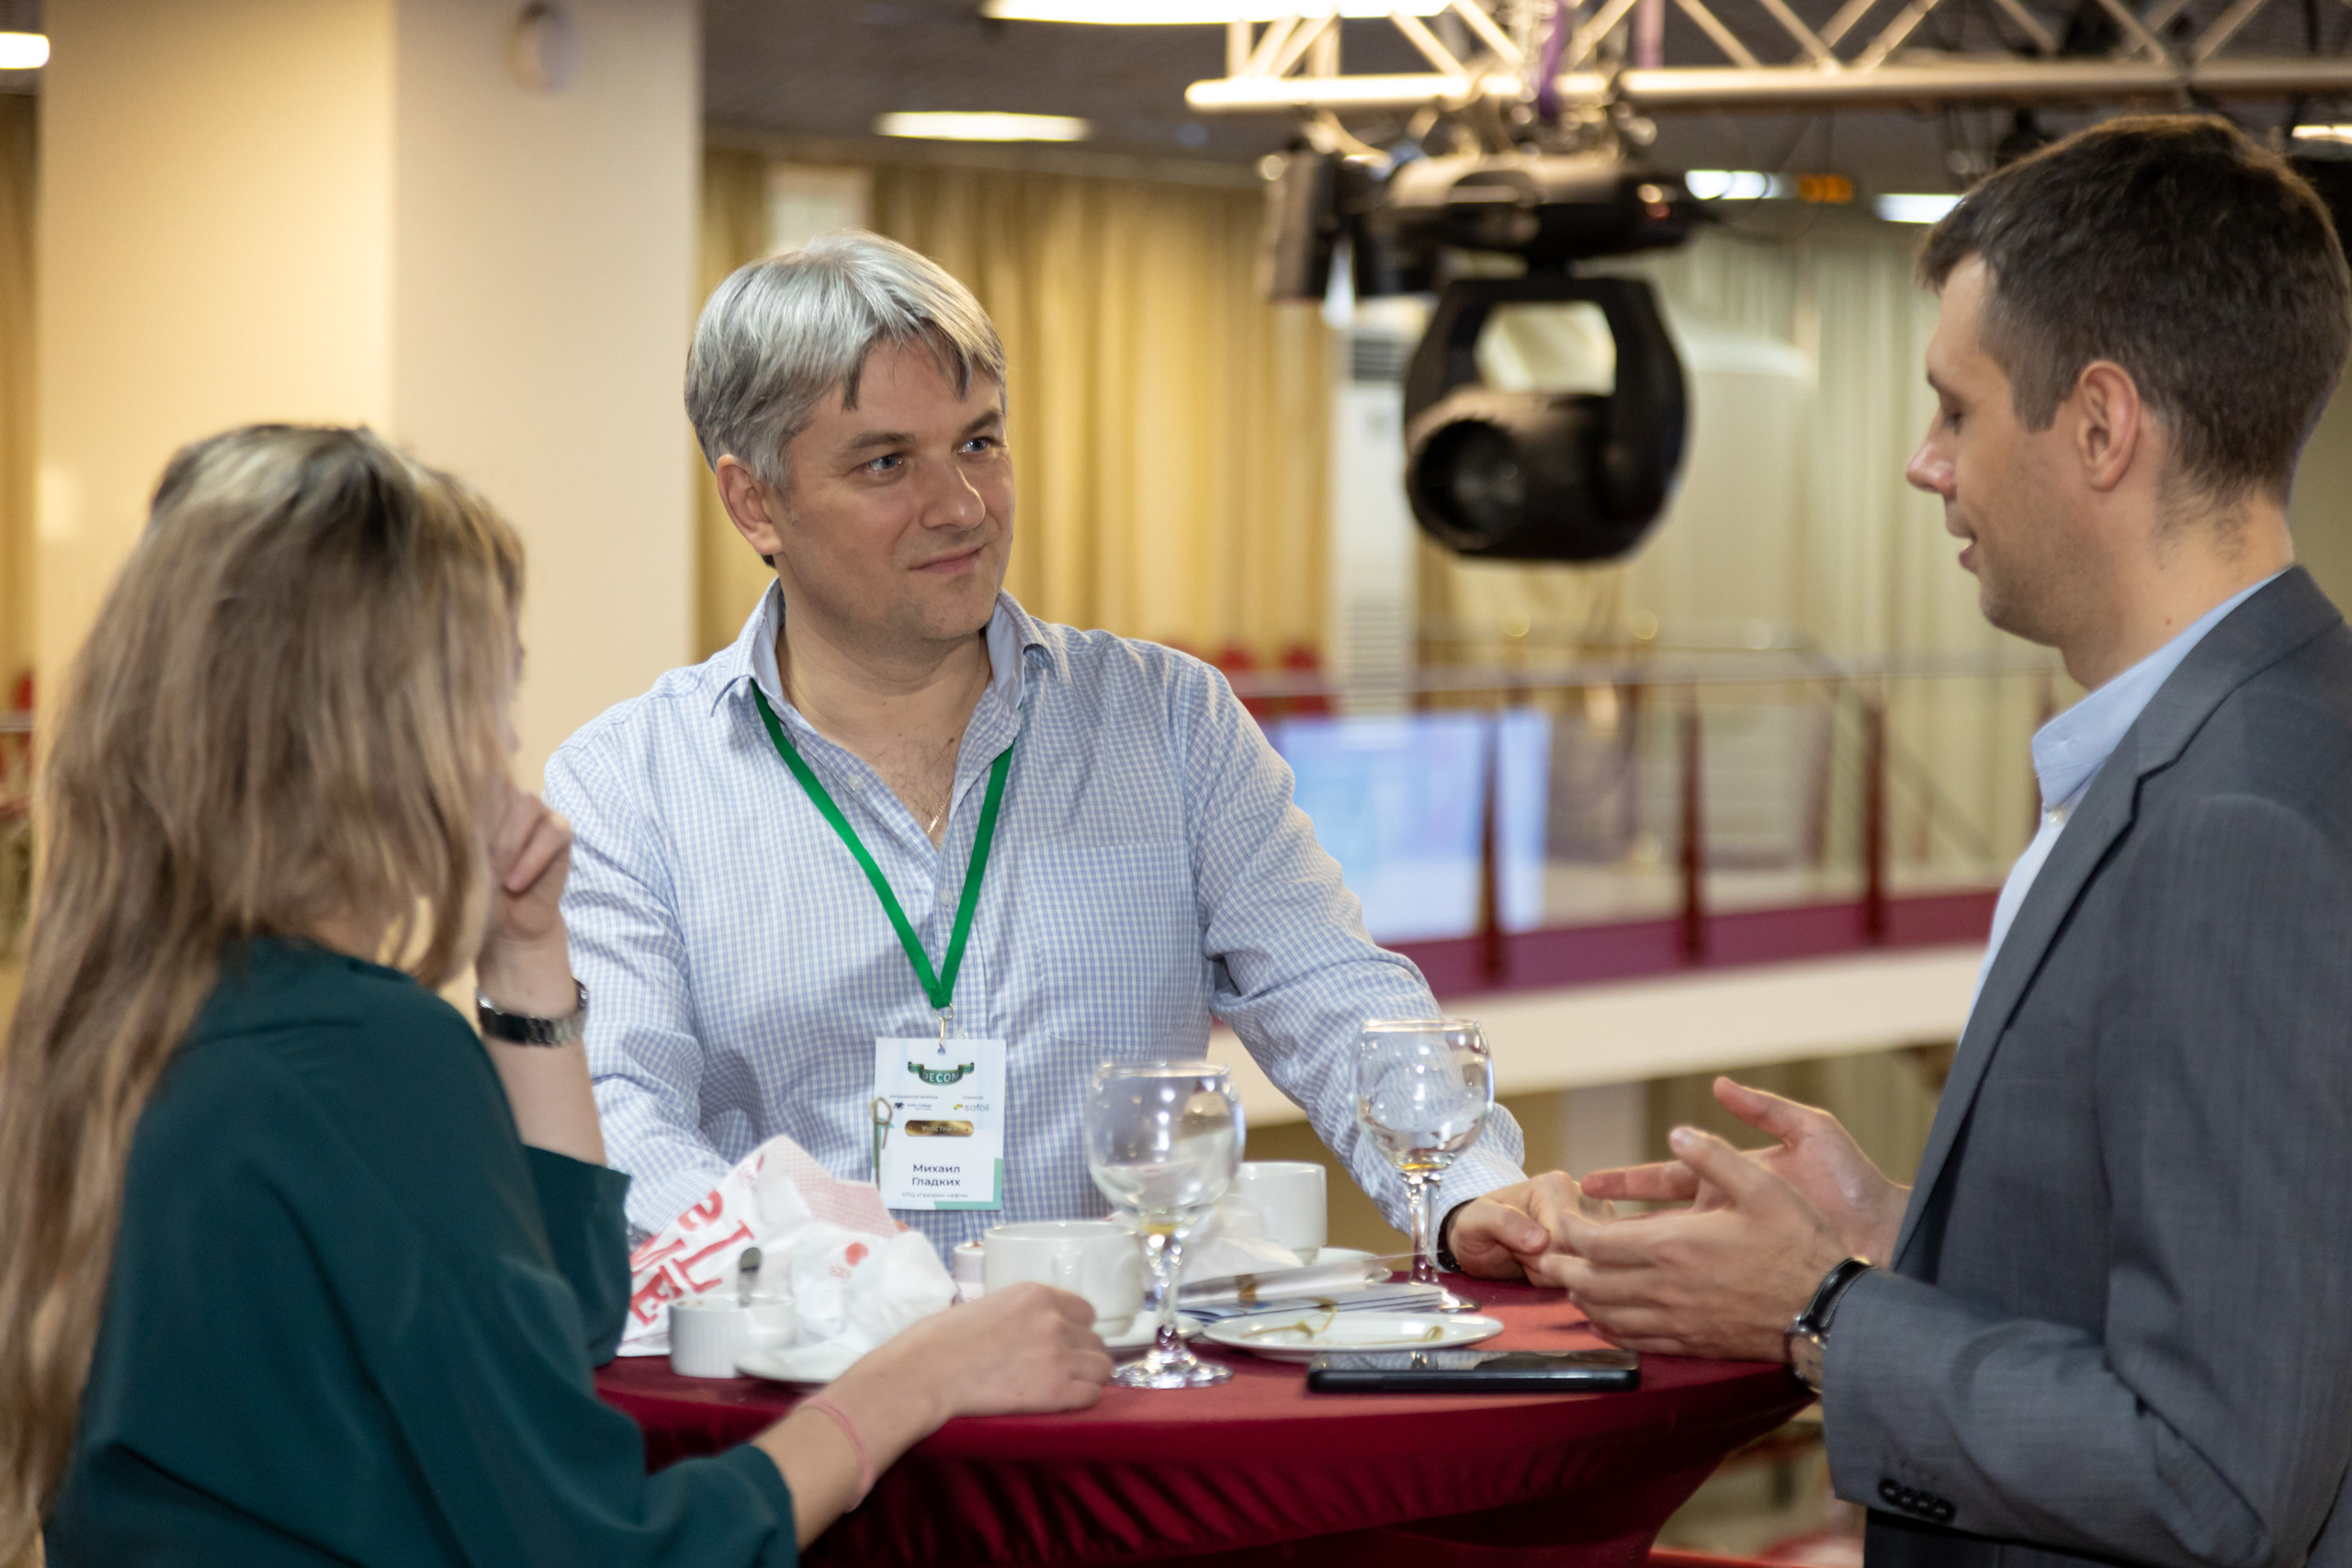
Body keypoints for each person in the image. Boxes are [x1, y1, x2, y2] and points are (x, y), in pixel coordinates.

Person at [0, 425, 1113, 1566]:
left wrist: (529, 967)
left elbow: (556, 1322)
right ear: (391, 731)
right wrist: (912, 1382)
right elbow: (604, 1550)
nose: (501, 740)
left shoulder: (130, 1028)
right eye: (492, 690)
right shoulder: (360, 1055)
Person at [1522, 115, 2352, 1566]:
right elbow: (2215, 1278)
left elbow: (2220, 1472)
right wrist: (1906, 1229)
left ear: (2100, 427)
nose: (1924, 464)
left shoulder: (2238, 819)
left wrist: (1821, 1311)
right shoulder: (2247, 734)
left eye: (1955, 410)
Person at [545, 232, 1547, 1271]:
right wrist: (863, 1296)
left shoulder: (1170, 722)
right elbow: (621, 1118)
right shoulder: (630, 785)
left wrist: (1470, 1192)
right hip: (810, 1392)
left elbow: (1332, 996)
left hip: (1114, 1393)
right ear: (755, 503)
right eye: (887, 463)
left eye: (978, 443)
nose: (961, 507)